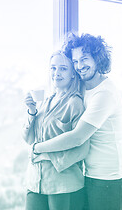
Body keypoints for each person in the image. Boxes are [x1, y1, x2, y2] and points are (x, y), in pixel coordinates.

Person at [32, 33, 122, 210]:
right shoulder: (84, 88)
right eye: (75, 61)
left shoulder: (104, 93)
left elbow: (77, 137)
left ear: (98, 59)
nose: (79, 66)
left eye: (85, 59)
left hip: (110, 180)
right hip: (93, 176)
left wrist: (38, 148)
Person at [23, 51, 90, 210]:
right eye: (53, 68)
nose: (56, 73)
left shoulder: (75, 103)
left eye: (63, 69)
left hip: (63, 184)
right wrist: (32, 111)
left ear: (73, 73)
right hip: (35, 181)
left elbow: (82, 148)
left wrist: (43, 154)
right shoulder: (46, 101)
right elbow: (29, 139)